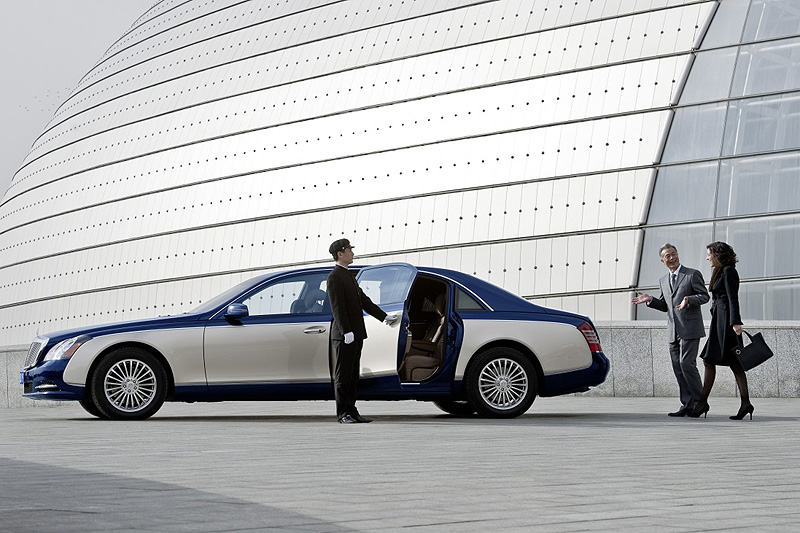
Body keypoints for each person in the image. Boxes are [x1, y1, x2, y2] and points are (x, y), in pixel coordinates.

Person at [632, 243, 710, 417]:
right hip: (673, 331)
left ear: (678, 254)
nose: (672, 258)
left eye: (673, 254)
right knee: (677, 367)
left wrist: (688, 299)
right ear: (662, 260)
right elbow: (665, 306)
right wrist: (650, 299)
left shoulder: (691, 274)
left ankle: (700, 402)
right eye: (668, 256)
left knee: (686, 363)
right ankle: (687, 404)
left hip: (690, 328)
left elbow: (704, 296)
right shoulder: (663, 280)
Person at [327, 238, 396, 424]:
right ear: (340, 254)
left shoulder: (348, 275)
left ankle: (352, 410)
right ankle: (343, 414)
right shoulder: (334, 277)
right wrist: (346, 330)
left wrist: (383, 317)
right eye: (349, 250)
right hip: (345, 335)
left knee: (352, 376)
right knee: (343, 376)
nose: (352, 253)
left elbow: (364, 301)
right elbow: (337, 307)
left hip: (356, 333)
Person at [692, 242, 752, 420]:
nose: (707, 257)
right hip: (719, 319)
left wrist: (736, 322)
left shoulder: (729, 271)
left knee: (723, 361)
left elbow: (733, 298)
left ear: (718, 254)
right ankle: (744, 403)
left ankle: (705, 402)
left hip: (726, 322)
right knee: (719, 361)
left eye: (709, 254)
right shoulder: (720, 271)